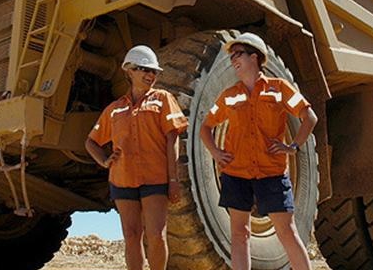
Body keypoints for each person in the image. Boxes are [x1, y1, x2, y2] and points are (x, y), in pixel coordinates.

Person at [200, 32, 318, 270]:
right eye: (232, 56)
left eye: (238, 54)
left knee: (286, 231)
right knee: (239, 233)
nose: (233, 59)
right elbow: (206, 127)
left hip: (271, 173)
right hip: (236, 174)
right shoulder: (229, 95)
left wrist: (292, 146)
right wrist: (215, 152)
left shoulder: (279, 89)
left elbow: (309, 117)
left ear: (255, 57)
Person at [85, 45, 188, 270]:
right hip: (122, 181)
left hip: (155, 178)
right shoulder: (114, 109)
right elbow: (90, 142)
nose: (151, 75)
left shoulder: (163, 99)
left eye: (154, 71)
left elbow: (173, 140)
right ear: (129, 70)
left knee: (156, 235)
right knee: (131, 236)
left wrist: (173, 180)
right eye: (144, 69)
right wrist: (104, 161)